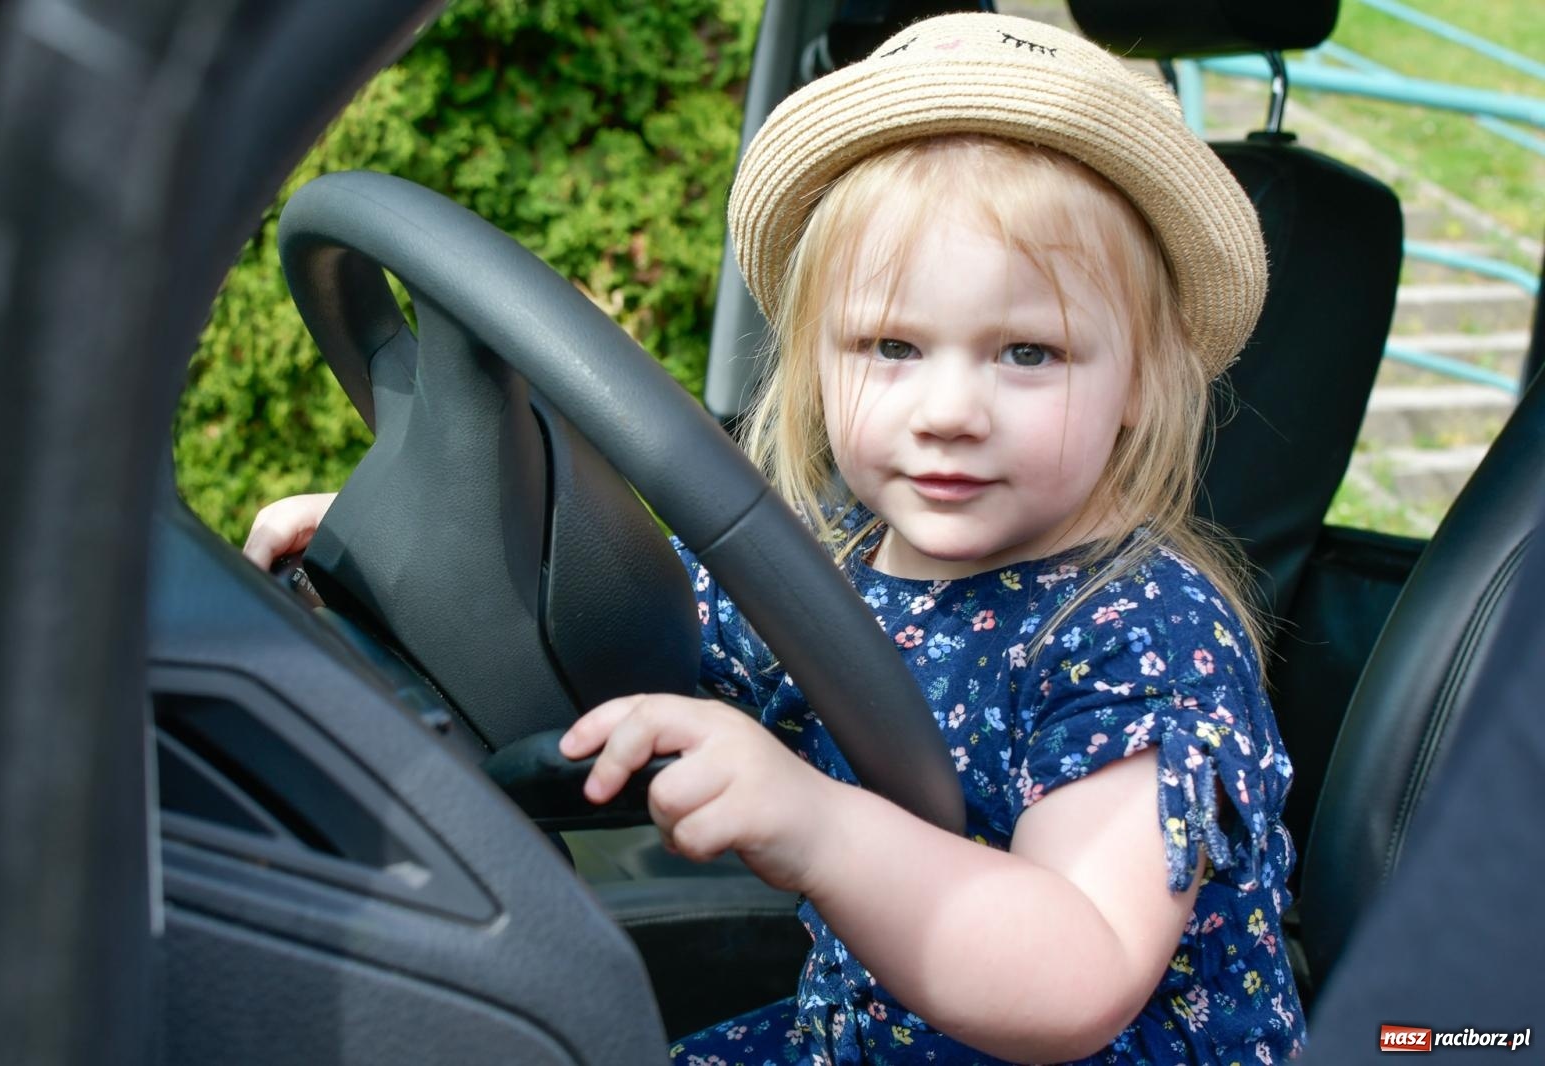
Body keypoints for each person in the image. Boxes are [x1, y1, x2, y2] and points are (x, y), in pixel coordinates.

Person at [244, 12, 1303, 1064]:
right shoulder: (834, 557)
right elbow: (623, 629)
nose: (948, 409)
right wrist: (395, 546)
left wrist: (819, 827)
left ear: (1141, 381)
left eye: (1026, 352)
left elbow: (1080, 968)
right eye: (891, 344)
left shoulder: (1142, 634)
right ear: (816, 359)